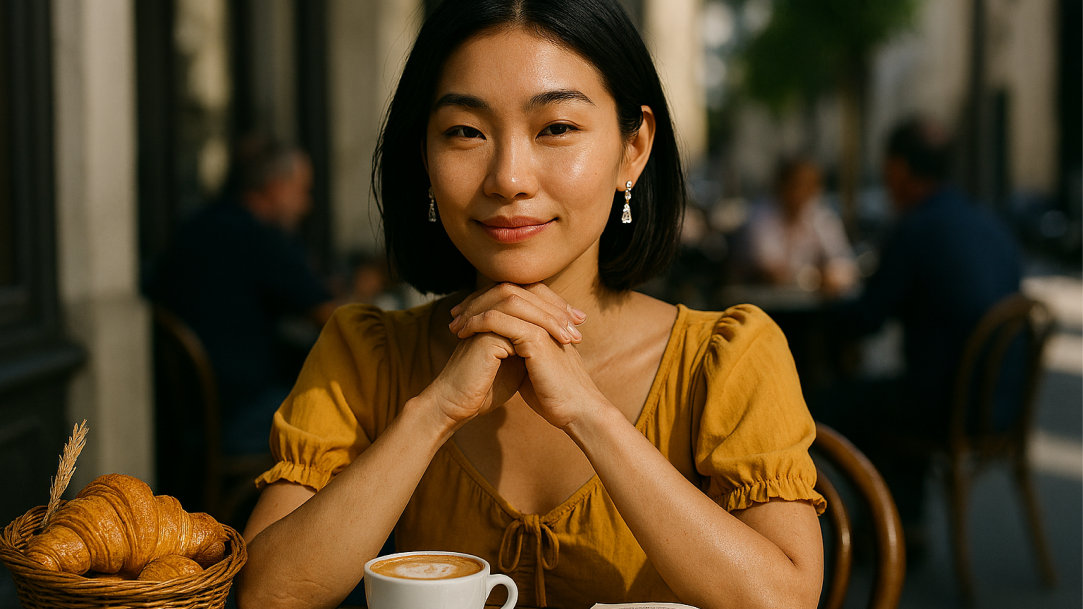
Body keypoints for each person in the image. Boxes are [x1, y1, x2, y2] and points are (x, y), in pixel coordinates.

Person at [237, 2, 825, 608]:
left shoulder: (727, 356)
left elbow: (784, 598)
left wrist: (591, 416)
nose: (508, 178)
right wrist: (434, 411)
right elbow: (268, 595)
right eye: (465, 131)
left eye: (556, 129)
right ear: (425, 157)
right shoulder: (366, 352)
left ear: (634, 148)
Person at [815, 116, 1023, 550]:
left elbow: (867, 319)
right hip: (1003, 404)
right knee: (890, 396)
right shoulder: (990, 223)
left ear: (899, 169)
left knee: (828, 402)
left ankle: (879, 525)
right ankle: (904, 520)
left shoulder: (916, 229)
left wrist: (826, 302)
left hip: (946, 407)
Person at [145, 137, 336, 457]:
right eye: (302, 191)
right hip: (239, 416)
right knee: (354, 413)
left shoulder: (195, 226)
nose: (306, 205)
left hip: (184, 419)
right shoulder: (260, 239)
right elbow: (333, 319)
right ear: (276, 187)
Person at [739, 156, 856, 296]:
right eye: (797, 184)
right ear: (781, 185)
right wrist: (815, 277)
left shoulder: (821, 217)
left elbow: (844, 262)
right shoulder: (760, 216)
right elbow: (770, 270)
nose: (802, 192)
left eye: (810, 186)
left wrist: (832, 275)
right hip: (762, 304)